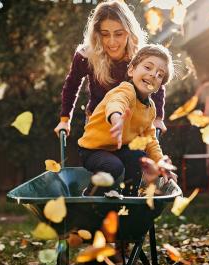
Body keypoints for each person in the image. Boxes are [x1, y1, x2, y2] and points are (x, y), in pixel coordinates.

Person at [54, 0, 167, 137]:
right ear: (97, 34)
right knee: (103, 159)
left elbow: (155, 83)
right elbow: (72, 84)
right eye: (105, 34)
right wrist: (65, 119)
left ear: (129, 32)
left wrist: (158, 118)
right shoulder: (87, 56)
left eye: (118, 34)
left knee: (134, 158)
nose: (112, 42)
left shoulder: (141, 57)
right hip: (98, 123)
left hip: (133, 123)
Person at [77, 44, 176, 196]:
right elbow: (117, 102)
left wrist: (162, 165)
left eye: (160, 74)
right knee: (113, 166)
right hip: (93, 149)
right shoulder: (125, 90)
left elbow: (150, 140)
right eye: (148, 67)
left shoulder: (150, 109)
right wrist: (117, 119)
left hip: (117, 149)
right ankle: (90, 196)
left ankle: (130, 197)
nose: (153, 75)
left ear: (159, 87)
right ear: (131, 70)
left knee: (139, 158)